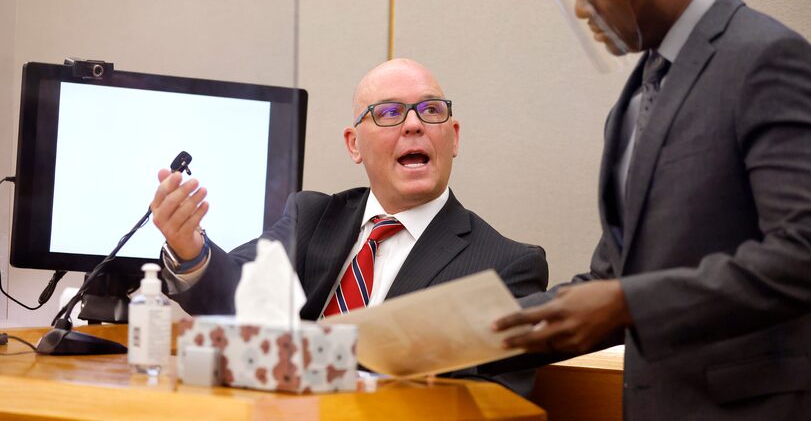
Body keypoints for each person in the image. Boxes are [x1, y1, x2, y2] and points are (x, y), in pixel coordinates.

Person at [494, 0, 811, 419]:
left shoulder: (766, 61)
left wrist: (628, 303)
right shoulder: (636, 95)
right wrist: (469, 336)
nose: (581, 9)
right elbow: (613, 278)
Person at [151, 58, 548, 395]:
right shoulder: (313, 217)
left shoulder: (506, 266)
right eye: (389, 113)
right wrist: (190, 247)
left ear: (453, 136)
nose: (414, 125)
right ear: (353, 144)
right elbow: (236, 295)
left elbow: (492, 404)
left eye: (431, 110)